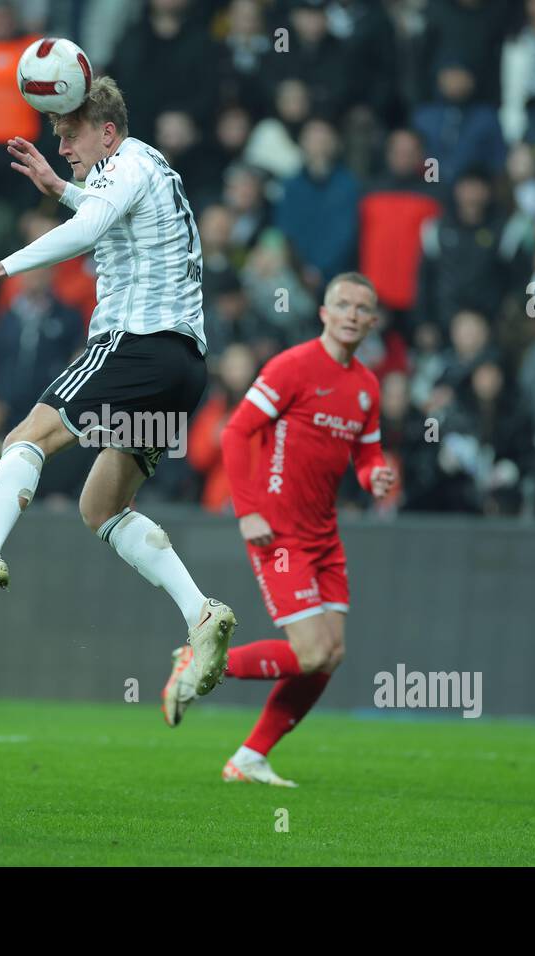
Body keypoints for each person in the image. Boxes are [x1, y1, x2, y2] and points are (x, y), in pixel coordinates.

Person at [0, 76, 237, 699]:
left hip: (134, 343)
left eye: (69, 135)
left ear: (107, 132)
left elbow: (89, 231)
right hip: (183, 369)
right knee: (103, 506)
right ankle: (200, 613)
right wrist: (61, 189)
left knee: (25, 437)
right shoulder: (147, 168)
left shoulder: (123, 164)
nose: (62, 145)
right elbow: (106, 214)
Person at [163, 273, 395, 787]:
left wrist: (371, 473)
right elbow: (236, 431)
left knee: (329, 657)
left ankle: (249, 757)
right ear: (325, 313)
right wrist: (247, 509)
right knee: (311, 651)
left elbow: (368, 452)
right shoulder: (293, 366)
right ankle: (194, 659)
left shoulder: (367, 386)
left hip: (324, 535)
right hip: (278, 530)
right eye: (344, 304)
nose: (354, 314)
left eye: (364, 307)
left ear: (373, 320)